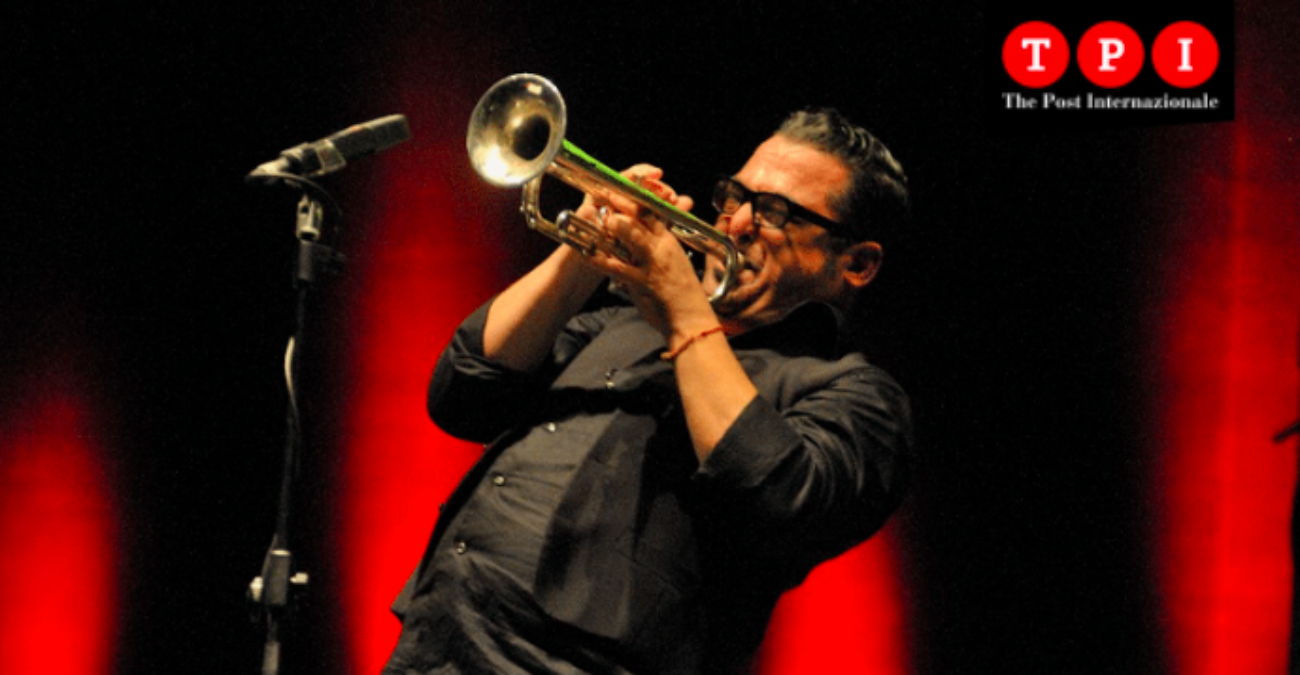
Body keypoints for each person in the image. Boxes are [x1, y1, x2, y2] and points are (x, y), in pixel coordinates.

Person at [382, 108, 915, 675]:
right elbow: (464, 392)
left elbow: (778, 498)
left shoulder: (856, 394)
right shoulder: (621, 325)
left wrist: (684, 311)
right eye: (736, 197)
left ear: (857, 263)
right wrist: (583, 251)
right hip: (434, 642)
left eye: (776, 213)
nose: (736, 223)